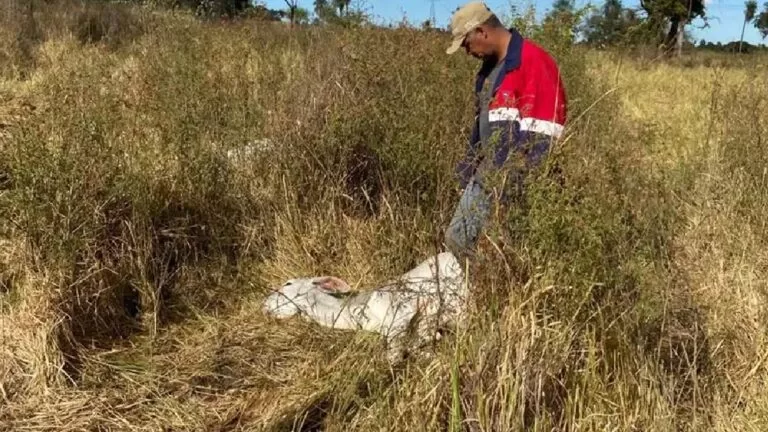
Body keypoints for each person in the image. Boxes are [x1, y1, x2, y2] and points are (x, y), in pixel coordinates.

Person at [443, 1, 568, 259]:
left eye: (466, 43)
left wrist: (513, 195)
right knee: (456, 241)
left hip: (513, 184)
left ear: (481, 31)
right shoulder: (489, 72)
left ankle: (487, 292)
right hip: (486, 177)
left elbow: (544, 137)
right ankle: (475, 291)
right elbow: (482, 129)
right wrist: (467, 171)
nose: (467, 52)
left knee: (508, 253)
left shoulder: (533, 62)